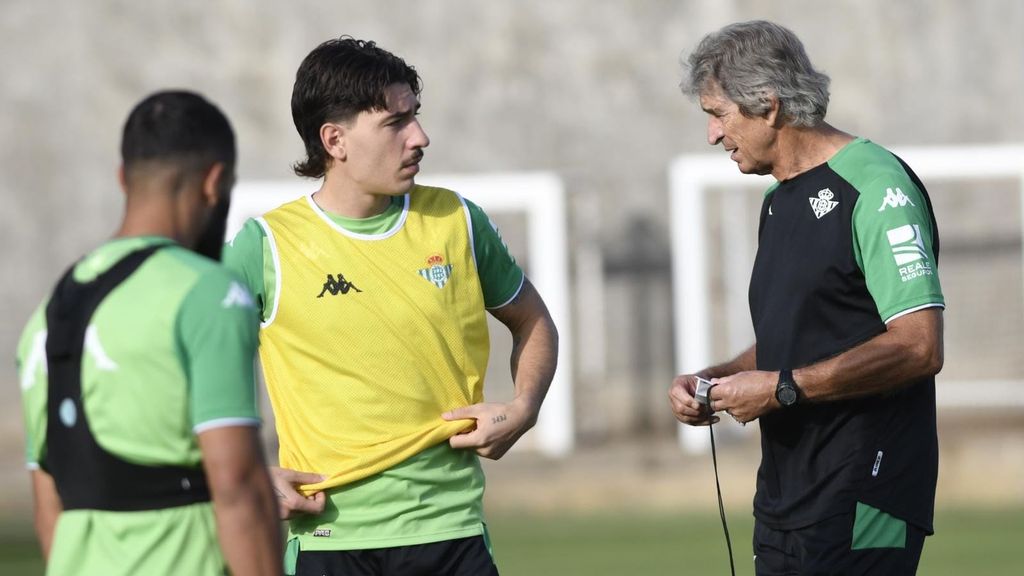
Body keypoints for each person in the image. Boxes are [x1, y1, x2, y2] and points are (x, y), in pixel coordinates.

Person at [223, 37, 558, 575]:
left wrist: (523, 409)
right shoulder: (266, 247)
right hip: (329, 540)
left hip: (451, 533)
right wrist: (245, 473)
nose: (420, 137)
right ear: (334, 140)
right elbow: (187, 362)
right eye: (395, 123)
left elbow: (534, 322)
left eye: (416, 116)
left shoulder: (458, 221)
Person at [668, 21, 945, 575]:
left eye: (717, 114)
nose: (713, 134)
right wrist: (718, 378)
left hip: (866, 489)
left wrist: (781, 389)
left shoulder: (876, 187)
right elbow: (799, 335)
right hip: (784, 498)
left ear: (767, 106)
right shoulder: (777, 201)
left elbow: (919, 348)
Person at [16, 91, 281, 575]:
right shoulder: (209, 294)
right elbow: (238, 485)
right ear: (215, 182)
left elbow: (48, 502)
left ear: (123, 179)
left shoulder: (46, 316)